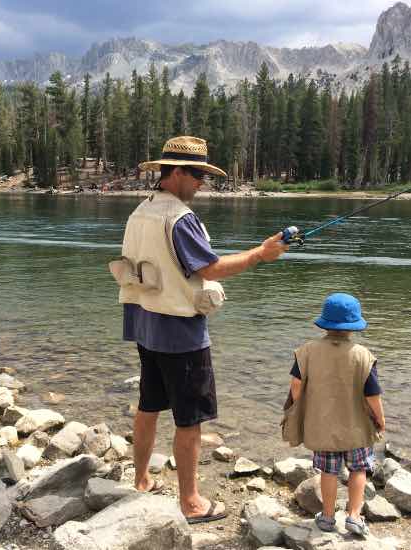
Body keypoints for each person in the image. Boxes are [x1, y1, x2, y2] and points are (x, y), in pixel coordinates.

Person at [116, 136, 288, 524]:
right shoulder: (179, 218)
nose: (201, 184)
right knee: (189, 418)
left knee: (148, 404)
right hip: (180, 333)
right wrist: (261, 255)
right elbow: (210, 269)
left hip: (144, 323)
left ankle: (142, 479)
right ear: (175, 173)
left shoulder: (140, 211)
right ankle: (191, 502)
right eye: (196, 175)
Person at [288, 293, 385, 536]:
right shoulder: (363, 355)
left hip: (323, 425)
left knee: (329, 472)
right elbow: (372, 395)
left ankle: (328, 517)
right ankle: (354, 515)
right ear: (354, 326)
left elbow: (296, 387)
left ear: (325, 323)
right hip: (357, 427)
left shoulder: (307, 351)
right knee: (359, 469)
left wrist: (301, 407)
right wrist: (380, 420)